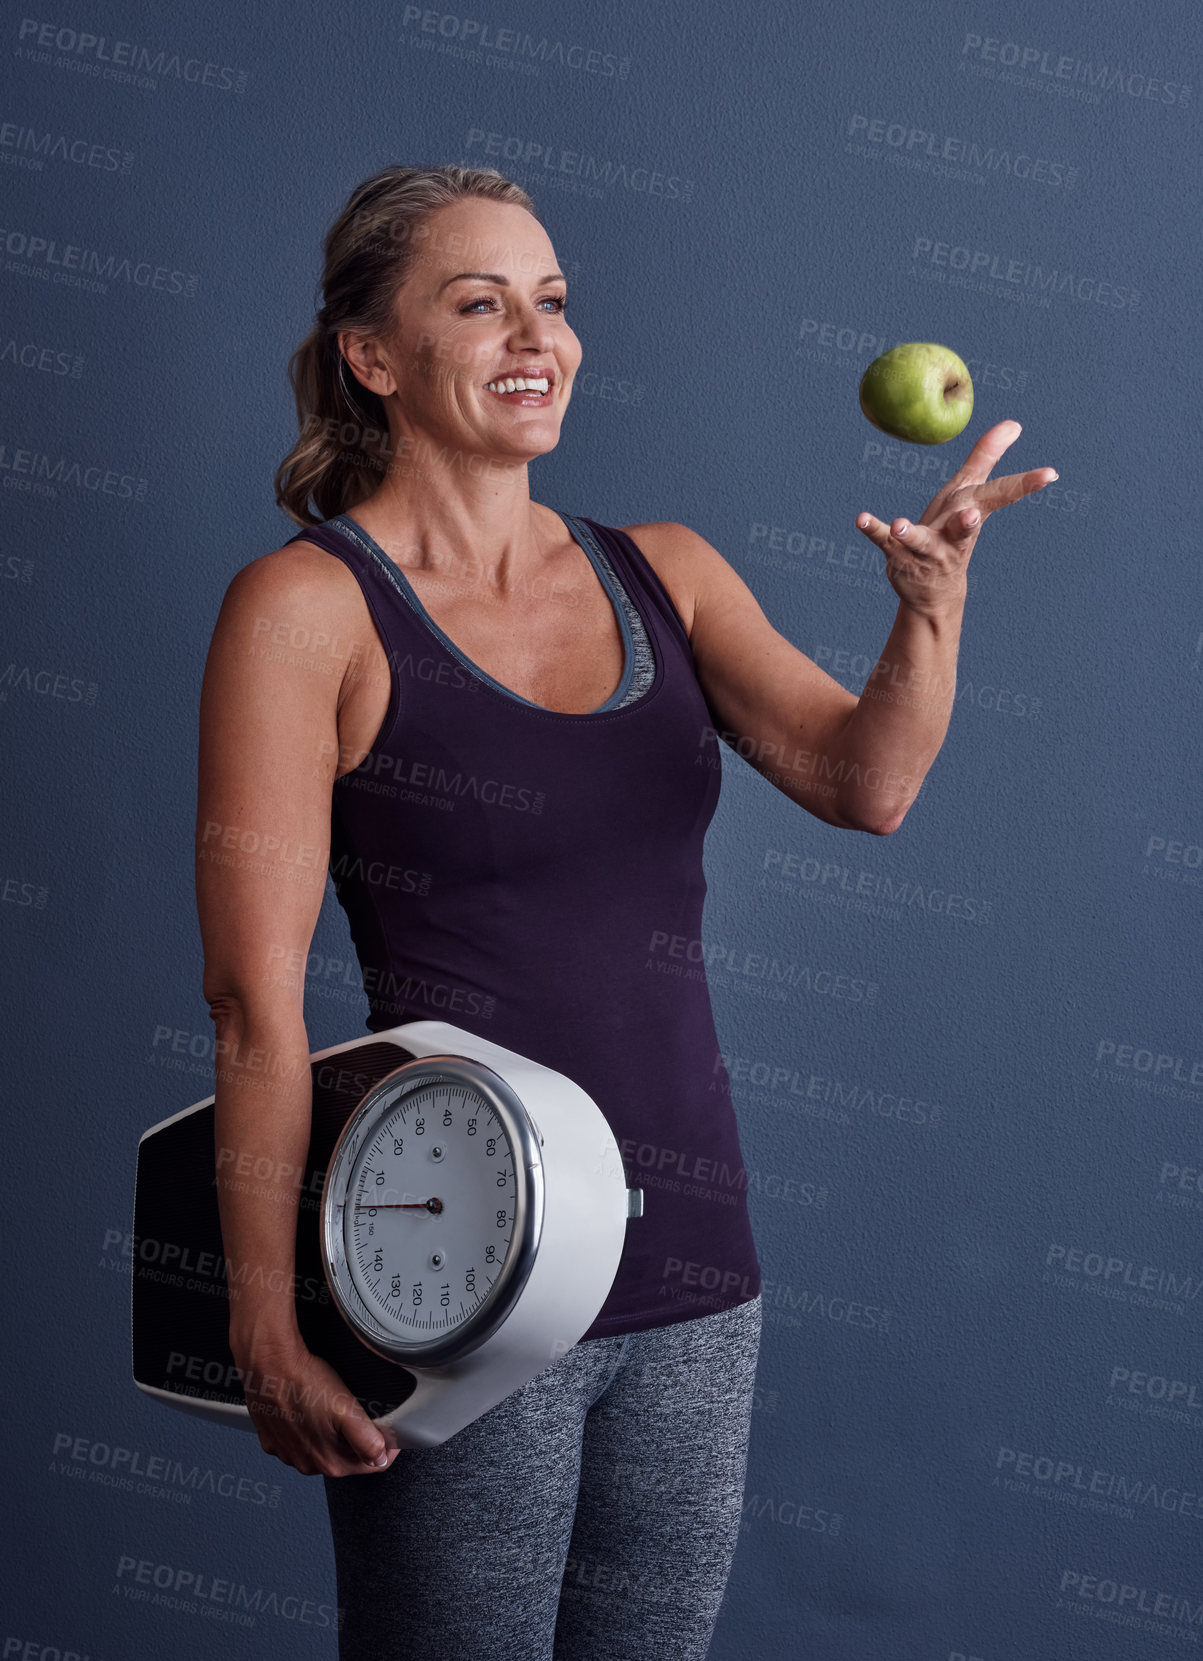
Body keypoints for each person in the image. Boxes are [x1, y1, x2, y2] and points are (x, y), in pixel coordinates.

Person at [196, 163, 1057, 1660]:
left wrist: (931, 611)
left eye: (553, 299)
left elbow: (869, 781)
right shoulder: (307, 611)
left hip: (697, 1275)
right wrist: (264, 1321)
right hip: (455, 1280)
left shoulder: (663, 571)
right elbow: (253, 1001)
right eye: (480, 303)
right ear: (373, 354)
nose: (539, 335)